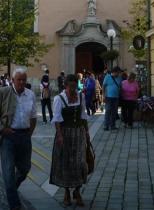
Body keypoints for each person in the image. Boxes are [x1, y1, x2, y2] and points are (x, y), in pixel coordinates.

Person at [0, 68, 37, 210]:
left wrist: (30, 132)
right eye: (19, 79)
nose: (22, 82)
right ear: (13, 80)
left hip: (25, 136)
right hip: (8, 137)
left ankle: (10, 189)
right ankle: (15, 205)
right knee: (9, 172)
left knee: (25, 168)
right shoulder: (3, 92)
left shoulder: (30, 95)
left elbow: (34, 116)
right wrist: (3, 130)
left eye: (24, 79)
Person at [50, 74, 89, 207]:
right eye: (70, 86)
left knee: (80, 162)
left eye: (74, 86)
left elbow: (83, 115)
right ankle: (66, 192)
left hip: (78, 133)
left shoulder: (81, 96)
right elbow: (57, 119)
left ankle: (77, 191)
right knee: (66, 163)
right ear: (66, 85)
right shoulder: (59, 99)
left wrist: (87, 133)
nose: (73, 89)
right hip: (65, 134)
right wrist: (59, 135)